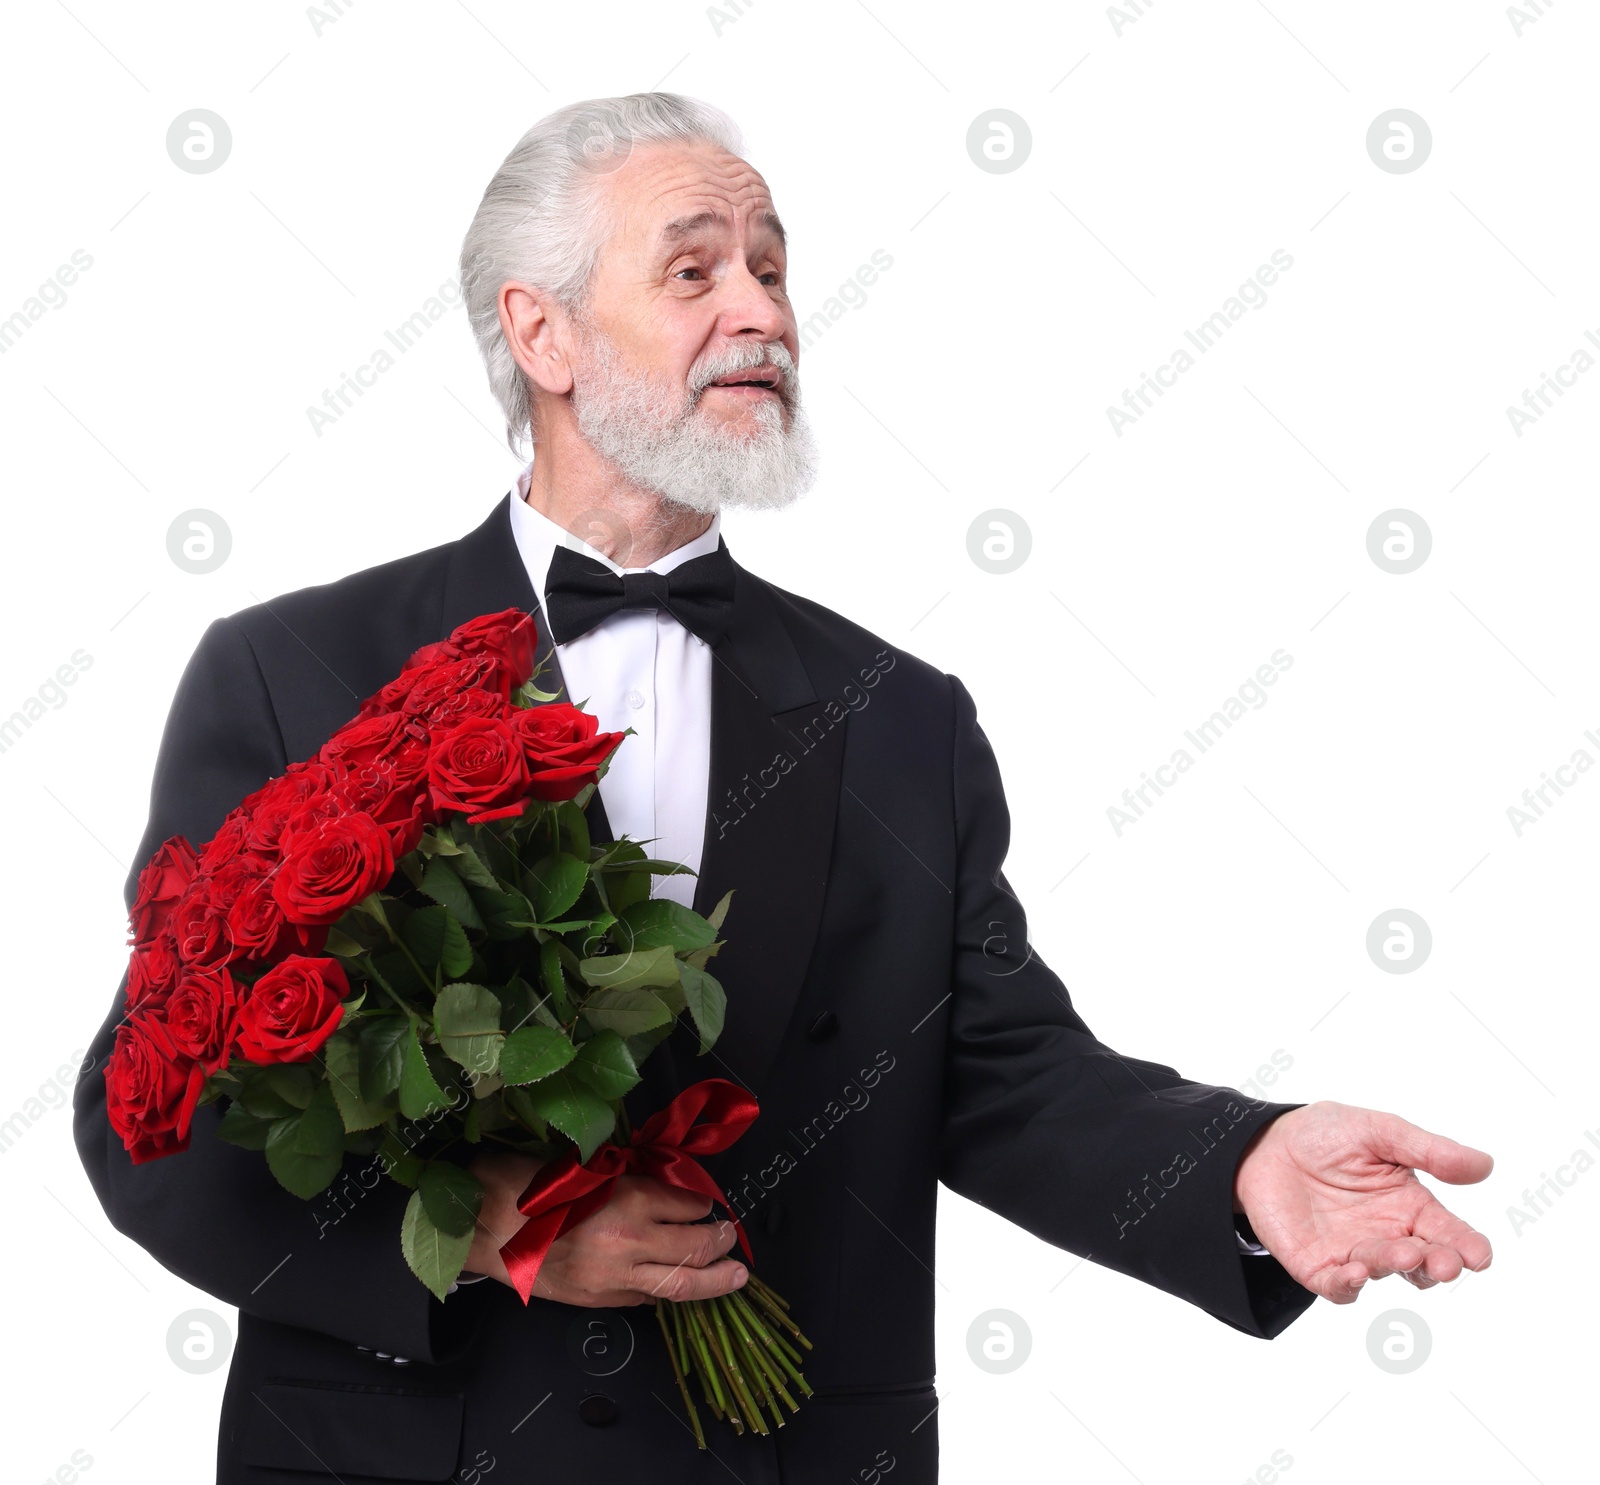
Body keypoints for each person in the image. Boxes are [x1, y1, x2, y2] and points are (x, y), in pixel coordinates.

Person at [73, 92, 1493, 1483]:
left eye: (769, 267)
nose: (760, 311)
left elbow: (1004, 1075)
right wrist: (492, 1222)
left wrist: (1240, 1165)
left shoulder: (904, 723)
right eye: (693, 269)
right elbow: (155, 1119)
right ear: (541, 330)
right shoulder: (291, 672)